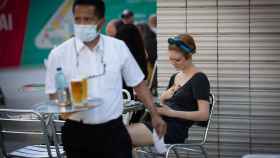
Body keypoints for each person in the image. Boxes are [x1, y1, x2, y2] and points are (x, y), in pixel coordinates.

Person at [45, 0, 166, 157]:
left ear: (100, 21)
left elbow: (139, 84)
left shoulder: (118, 47)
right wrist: (65, 106)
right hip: (76, 132)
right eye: (77, 19)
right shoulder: (59, 53)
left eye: (87, 19)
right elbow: (52, 93)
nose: (81, 24)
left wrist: (155, 114)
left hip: (113, 132)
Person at [128, 33, 210, 146]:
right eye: (170, 59)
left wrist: (171, 113)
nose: (173, 63)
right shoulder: (175, 77)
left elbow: (204, 115)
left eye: (177, 60)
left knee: (122, 136)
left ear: (189, 55)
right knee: (119, 135)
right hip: (158, 122)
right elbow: (164, 106)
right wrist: (162, 98)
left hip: (173, 130)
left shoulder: (199, 78)